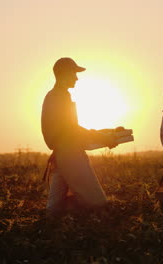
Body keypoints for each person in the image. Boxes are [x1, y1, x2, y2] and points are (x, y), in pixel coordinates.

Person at [41, 57, 119, 217]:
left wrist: (105, 133)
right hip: (70, 156)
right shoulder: (59, 97)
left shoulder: (56, 96)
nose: (76, 78)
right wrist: (104, 137)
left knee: (53, 210)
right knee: (98, 205)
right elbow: (71, 130)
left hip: (62, 155)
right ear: (63, 74)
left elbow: (69, 130)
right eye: (74, 73)